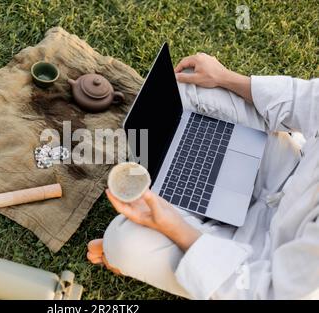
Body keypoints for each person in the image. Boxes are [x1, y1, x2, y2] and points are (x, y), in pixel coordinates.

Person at [87, 53, 319, 299]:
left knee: (122, 243)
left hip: (255, 255)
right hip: (283, 169)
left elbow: (260, 293)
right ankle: (186, 193)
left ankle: (184, 216)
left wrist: (173, 226)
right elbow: (304, 102)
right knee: (188, 86)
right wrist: (225, 77)